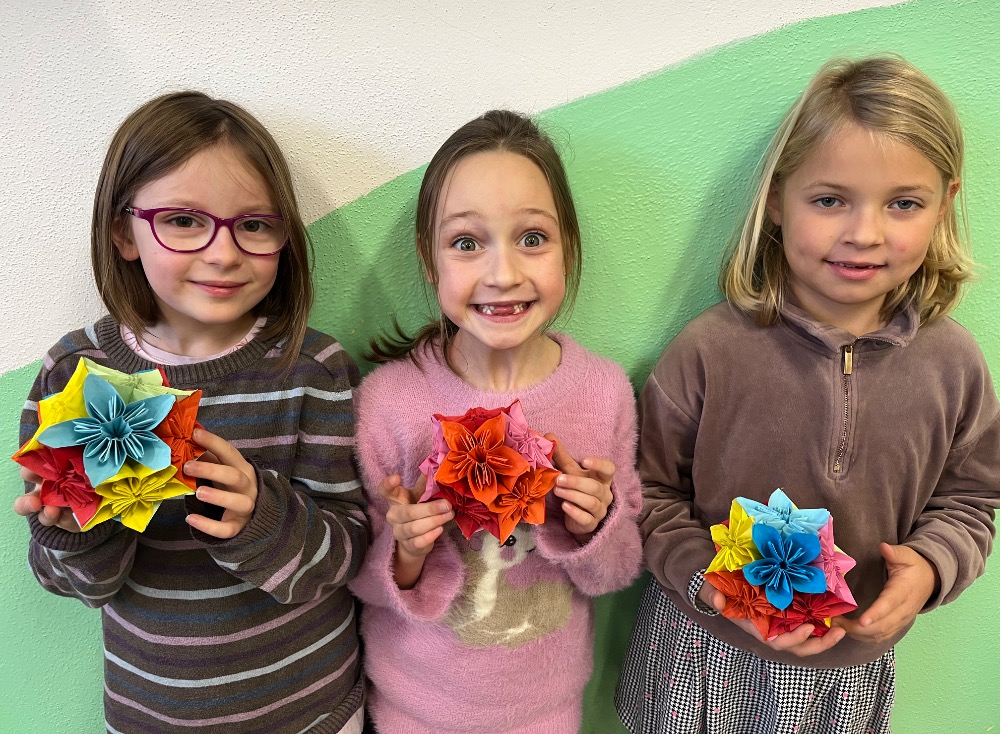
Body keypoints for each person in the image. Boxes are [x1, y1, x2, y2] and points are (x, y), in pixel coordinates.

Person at [615, 55, 1000, 734]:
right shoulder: (709, 350)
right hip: (704, 652)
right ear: (776, 199)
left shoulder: (956, 366)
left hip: (849, 671)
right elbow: (648, 493)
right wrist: (713, 585)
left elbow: (971, 500)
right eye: (829, 200)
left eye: (903, 203)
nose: (864, 233)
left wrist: (932, 568)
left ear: (944, 204)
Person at [13, 92, 370, 734]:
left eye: (254, 225)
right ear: (123, 232)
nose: (224, 253)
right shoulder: (76, 374)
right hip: (150, 713)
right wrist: (75, 530)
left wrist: (263, 519)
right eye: (182, 220)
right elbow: (69, 584)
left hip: (312, 710)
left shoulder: (312, 370)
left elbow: (349, 552)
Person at [349, 109, 642, 733]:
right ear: (430, 261)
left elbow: (616, 572)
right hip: (413, 709)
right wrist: (407, 551)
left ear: (568, 248)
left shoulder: (603, 392)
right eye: (466, 243)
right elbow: (365, 583)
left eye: (532, 238)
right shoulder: (389, 402)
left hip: (546, 710)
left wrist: (594, 524)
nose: (504, 274)